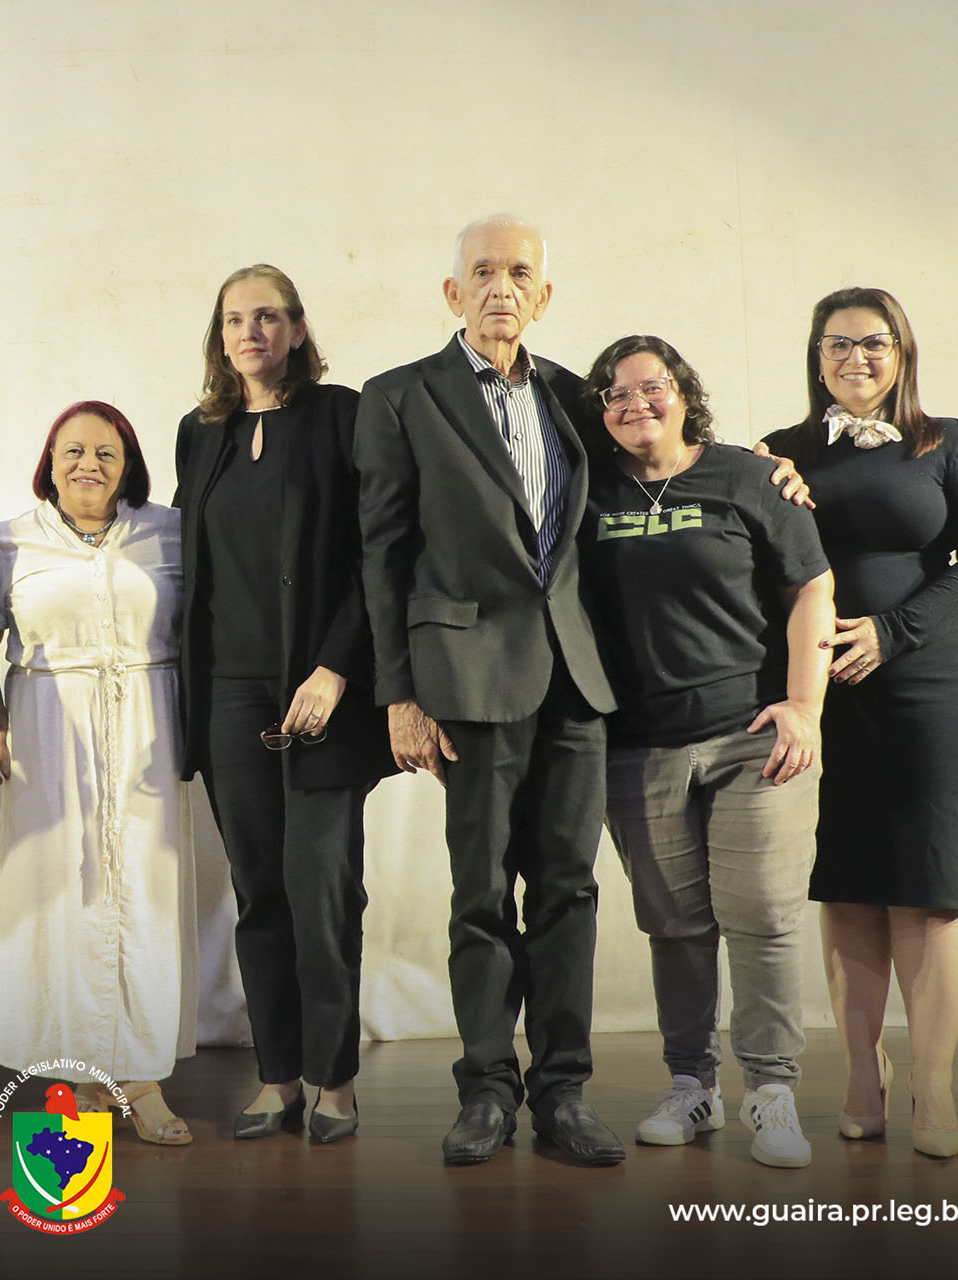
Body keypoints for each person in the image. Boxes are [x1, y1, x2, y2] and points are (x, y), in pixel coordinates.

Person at [354, 215, 626, 1166]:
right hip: (466, 679)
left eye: (519, 273)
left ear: (543, 296)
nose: (500, 287)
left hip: (575, 680)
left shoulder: (574, 396)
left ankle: (564, 1092)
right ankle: (485, 1090)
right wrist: (399, 694)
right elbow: (382, 553)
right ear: (453, 293)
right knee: (480, 894)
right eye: (482, 271)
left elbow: (657, 460)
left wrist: (768, 470)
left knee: (569, 891)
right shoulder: (400, 397)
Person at [762, 288, 958, 1159]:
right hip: (829, 697)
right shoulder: (782, 451)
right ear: (816, 355)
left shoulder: (945, 441)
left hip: (937, 690)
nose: (855, 358)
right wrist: (772, 491)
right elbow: (757, 559)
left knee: (929, 886)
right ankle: (864, 1075)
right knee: (849, 883)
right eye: (837, 344)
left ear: (901, 351)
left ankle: (932, 1085)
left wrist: (894, 631)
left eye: (874, 343)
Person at [580, 336, 834, 1168]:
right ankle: (691, 1086)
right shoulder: (589, 491)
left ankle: (772, 1092)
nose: (635, 403)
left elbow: (811, 586)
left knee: (762, 917)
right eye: (616, 394)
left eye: (652, 386)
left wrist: (804, 705)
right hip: (638, 745)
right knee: (676, 926)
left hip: (750, 737)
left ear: (685, 393)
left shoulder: (748, 477)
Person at [174, 265, 389, 1145]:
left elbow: (378, 551)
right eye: (235, 319)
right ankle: (280, 1075)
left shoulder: (342, 415)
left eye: (268, 316)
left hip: (323, 688)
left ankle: (335, 1078)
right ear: (219, 336)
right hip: (230, 692)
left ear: (298, 329)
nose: (250, 332)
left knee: (322, 888)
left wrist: (336, 668)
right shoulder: (200, 433)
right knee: (260, 891)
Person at [0, 401, 196, 1145]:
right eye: (73, 451)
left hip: (147, 730)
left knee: (142, 897)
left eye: (106, 453)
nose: (88, 466)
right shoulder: (9, 540)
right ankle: (76, 1079)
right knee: (59, 898)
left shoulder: (170, 532)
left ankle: (140, 1078)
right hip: (47, 731)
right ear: (50, 459)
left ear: (128, 464)